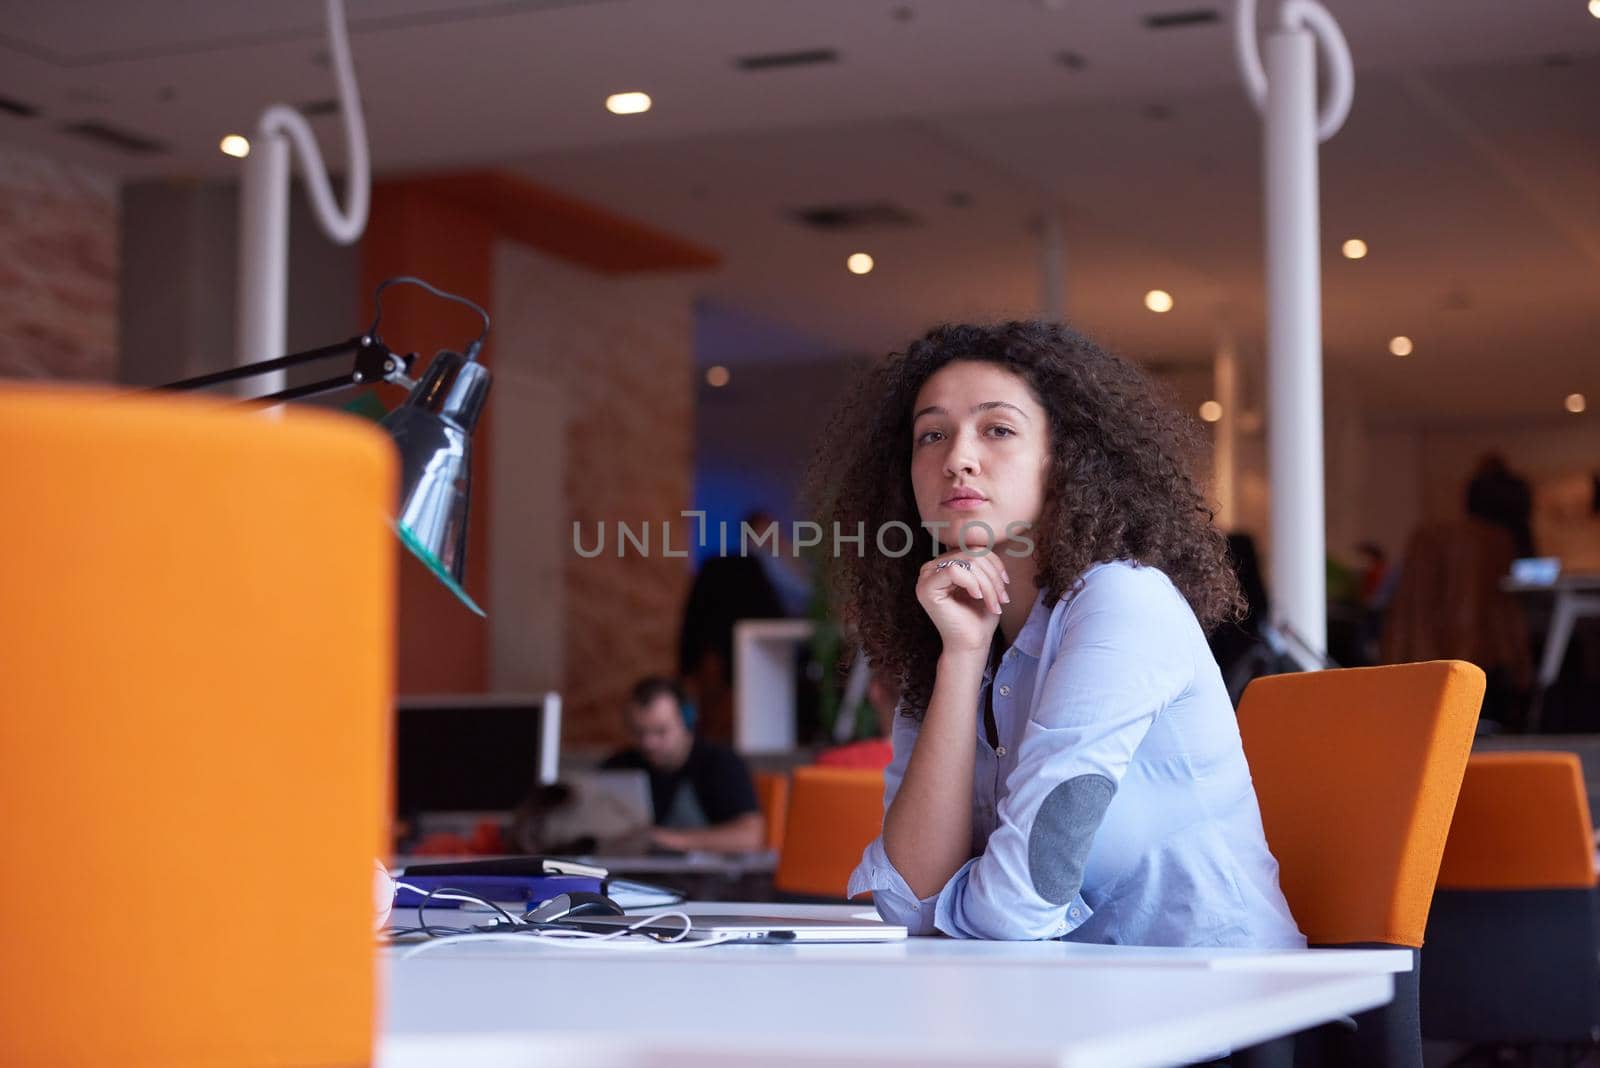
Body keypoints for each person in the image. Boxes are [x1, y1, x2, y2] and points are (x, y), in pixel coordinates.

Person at [807, 320, 1304, 946]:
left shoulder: (1122, 602)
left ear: (1065, 459)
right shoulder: (943, 629)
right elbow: (909, 898)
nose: (956, 457)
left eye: (998, 429)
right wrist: (962, 656)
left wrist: (952, 900)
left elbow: (1018, 905)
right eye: (931, 435)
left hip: (1219, 1006)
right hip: (1058, 999)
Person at [600, 677, 764, 853]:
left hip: (703, 877)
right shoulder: (619, 766)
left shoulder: (721, 764)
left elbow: (750, 837)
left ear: (687, 721)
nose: (648, 743)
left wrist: (668, 839)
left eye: (660, 731)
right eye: (639, 733)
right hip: (627, 875)